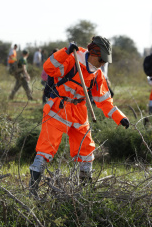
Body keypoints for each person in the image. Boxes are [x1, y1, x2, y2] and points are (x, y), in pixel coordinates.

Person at [28, 36, 130, 195]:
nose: (103, 64)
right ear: (94, 53)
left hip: (79, 113)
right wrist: (65, 52)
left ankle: (84, 193)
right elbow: (49, 68)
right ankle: (32, 191)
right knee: (45, 150)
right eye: (102, 60)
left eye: (105, 62)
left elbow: (104, 101)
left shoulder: (97, 75)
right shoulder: (72, 59)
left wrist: (120, 117)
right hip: (58, 109)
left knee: (86, 152)